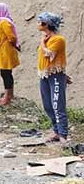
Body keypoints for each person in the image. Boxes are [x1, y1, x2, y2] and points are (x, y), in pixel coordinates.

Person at [37, 12, 69, 145]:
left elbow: (48, 54)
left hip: (55, 75)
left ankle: (63, 134)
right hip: (45, 74)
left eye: (41, 22)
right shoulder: (46, 39)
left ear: (47, 24)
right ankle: (56, 131)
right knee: (48, 105)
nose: (38, 24)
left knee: (57, 104)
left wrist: (43, 44)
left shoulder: (58, 39)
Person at [0, 2, 21, 106]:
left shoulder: (4, 23)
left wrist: (7, 44)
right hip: (3, 51)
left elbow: (12, 37)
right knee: (6, 73)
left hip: (5, 51)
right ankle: (9, 95)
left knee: (6, 73)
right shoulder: (0, 22)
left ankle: (7, 98)